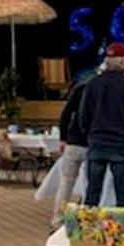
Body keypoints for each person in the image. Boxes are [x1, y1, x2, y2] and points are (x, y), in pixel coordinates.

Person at [78, 43, 124, 207]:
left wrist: (90, 135)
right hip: (120, 142)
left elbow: (83, 116)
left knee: (92, 193)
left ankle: (88, 227)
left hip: (97, 141)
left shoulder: (92, 84)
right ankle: (122, 229)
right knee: (122, 194)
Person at [51, 76, 90, 227]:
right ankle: (84, 220)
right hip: (91, 144)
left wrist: (63, 138)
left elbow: (66, 114)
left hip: (73, 143)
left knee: (66, 183)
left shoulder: (79, 89)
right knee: (89, 184)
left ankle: (57, 219)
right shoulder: (100, 91)